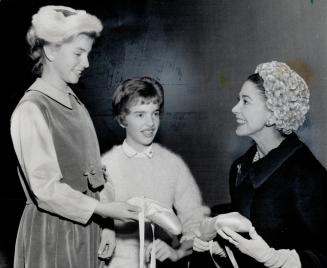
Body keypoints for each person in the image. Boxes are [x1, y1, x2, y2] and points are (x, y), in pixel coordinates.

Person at [10, 5, 140, 268]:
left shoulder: (76, 104)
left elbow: (96, 176)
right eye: (78, 53)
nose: (87, 63)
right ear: (50, 50)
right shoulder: (31, 109)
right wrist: (104, 211)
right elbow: (46, 190)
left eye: (88, 54)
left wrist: (108, 225)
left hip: (87, 230)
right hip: (53, 235)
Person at [192, 61, 327, 268]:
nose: (234, 109)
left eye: (245, 101)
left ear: (273, 113)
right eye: (238, 100)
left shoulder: (306, 174)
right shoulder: (240, 168)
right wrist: (217, 247)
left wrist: (276, 259)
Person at [101, 77, 210, 267]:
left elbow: (195, 224)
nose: (150, 123)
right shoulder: (105, 165)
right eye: (140, 114)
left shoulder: (173, 164)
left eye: (155, 113)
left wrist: (177, 252)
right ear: (122, 120)